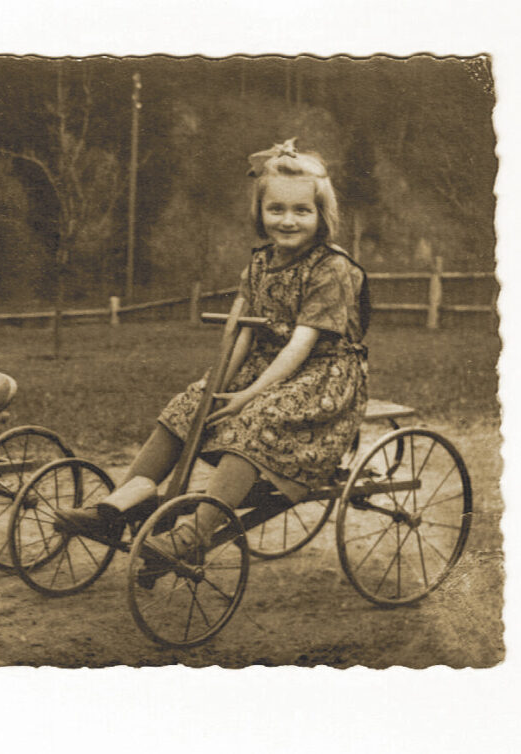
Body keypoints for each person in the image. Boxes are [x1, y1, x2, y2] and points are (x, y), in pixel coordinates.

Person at [58, 138, 370, 564]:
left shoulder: (331, 267)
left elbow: (302, 344)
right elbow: (243, 333)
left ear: (322, 215)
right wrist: (217, 386)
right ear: (259, 213)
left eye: (302, 211)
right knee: (188, 406)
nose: (288, 220)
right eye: (276, 209)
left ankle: (196, 533)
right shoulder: (259, 263)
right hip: (269, 362)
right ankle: (120, 506)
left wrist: (249, 394)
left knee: (258, 418)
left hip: (321, 376)